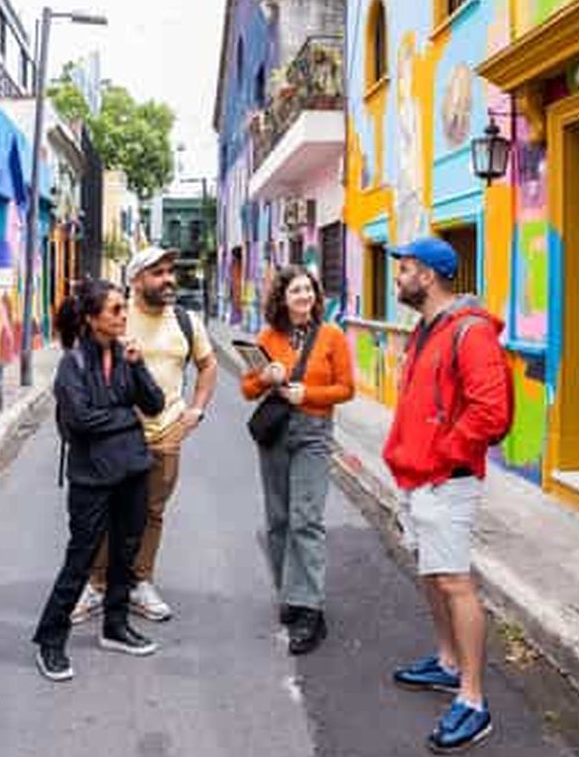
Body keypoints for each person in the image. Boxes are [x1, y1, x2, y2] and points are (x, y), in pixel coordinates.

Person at [383, 236, 513, 754]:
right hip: (416, 476)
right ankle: (446, 661)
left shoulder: (471, 333)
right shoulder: (425, 331)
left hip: (446, 478)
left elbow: (491, 414)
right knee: (432, 573)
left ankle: (474, 701)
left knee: (455, 581)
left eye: (404, 270)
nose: (397, 279)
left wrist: (442, 457)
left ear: (430, 276)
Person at [73, 246, 217, 624]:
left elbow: (208, 365)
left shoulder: (186, 321)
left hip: (166, 433)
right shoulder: (117, 316)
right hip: (116, 435)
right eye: (158, 272)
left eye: (170, 271)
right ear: (136, 280)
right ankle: (99, 585)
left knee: (152, 513)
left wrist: (196, 409)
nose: (168, 278)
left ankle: (140, 582)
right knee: (107, 512)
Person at [33, 279, 165, 680]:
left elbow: (155, 405)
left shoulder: (128, 357)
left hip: (132, 473)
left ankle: (116, 625)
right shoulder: (71, 363)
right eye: (115, 310)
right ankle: (50, 640)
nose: (124, 316)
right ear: (92, 319)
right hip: (92, 479)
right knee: (82, 558)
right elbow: (81, 420)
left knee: (126, 553)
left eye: (124, 309)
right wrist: (127, 419)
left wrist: (139, 365)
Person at [241, 266, 355, 655]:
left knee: (306, 518)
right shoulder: (268, 336)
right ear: (283, 299)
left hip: (313, 434)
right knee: (278, 519)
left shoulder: (332, 335)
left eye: (309, 289)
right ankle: (289, 594)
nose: (304, 296)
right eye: (296, 291)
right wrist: (266, 379)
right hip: (275, 435)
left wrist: (307, 393)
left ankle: (311, 609)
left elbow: (346, 389)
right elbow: (246, 388)